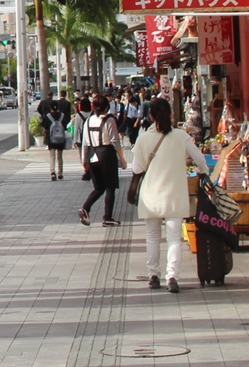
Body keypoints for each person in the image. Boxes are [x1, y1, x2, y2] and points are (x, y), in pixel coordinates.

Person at [131, 98, 209, 292]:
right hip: (174, 193)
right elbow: (198, 158)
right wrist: (204, 171)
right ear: (170, 115)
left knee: (152, 237)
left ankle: (153, 275)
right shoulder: (181, 136)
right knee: (174, 238)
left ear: (150, 116)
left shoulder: (143, 138)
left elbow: (137, 168)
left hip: (150, 196)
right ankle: (172, 276)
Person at [79, 90, 126, 227]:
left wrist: (84, 161)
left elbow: (85, 143)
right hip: (106, 154)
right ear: (106, 107)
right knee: (110, 187)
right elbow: (115, 141)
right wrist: (122, 159)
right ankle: (107, 217)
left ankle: (85, 208)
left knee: (99, 187)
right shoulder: (110, 120)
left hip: (93, 155)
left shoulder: (88, 121)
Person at [44, 98, 68, 181]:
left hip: (51, 139)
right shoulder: (62, 115)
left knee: (52, 155)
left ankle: (52, 172)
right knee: (60, 156)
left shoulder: (48, 116)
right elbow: (65, 126)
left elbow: (45, 126)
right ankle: (60, 173)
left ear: (50, 107)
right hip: (61, 139)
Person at [71, 97, 91, 175]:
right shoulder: (92, 113)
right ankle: (90, 168)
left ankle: (86, 170)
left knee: (82, 155)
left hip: (81, 138)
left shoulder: (78, 115)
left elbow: (76, 128)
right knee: (90, 154)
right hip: (91, 138)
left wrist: (75, 140)